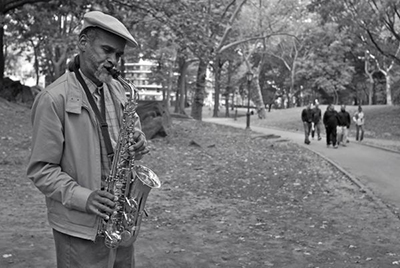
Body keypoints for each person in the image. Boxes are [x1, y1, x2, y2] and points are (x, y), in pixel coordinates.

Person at [26, 11, 147, 268]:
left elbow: (131, 131)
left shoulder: (118, 90)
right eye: (107, 50)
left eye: (118, 55)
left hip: (119, 221)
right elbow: (41, 170)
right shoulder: (53, 99)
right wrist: (85, 197)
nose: (113, 61)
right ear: (83, 42)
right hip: (79, 229)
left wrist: (139, 140)